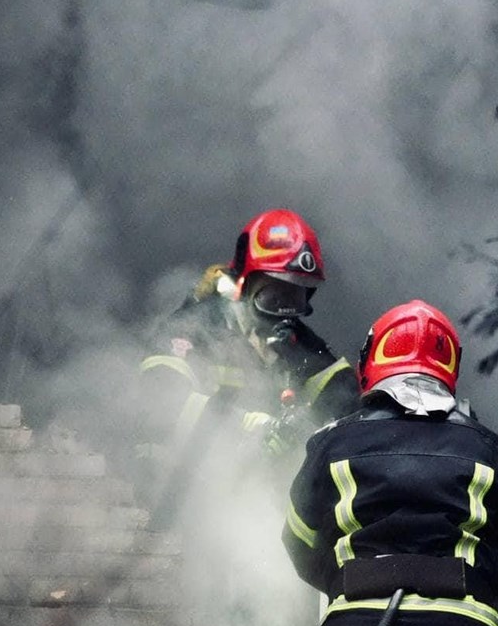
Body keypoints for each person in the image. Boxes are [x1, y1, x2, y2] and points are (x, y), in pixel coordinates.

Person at [282, 299, 498, 626]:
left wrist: (351, 580)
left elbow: (299, 543)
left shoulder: (331, 443)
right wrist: (472, 583)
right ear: (449, 366)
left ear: (372, 360)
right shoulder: (491, 450)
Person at [135, 207, 359, 511]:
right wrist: (243, 426)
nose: (284, 312)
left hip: (257, 506)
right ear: (242, 284)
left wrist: (307, 426)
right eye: (272, 297)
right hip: (183, 499)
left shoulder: (296, 342)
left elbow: (345, 399)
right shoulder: (199, 325)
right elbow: (158, 396)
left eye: (295, 297)